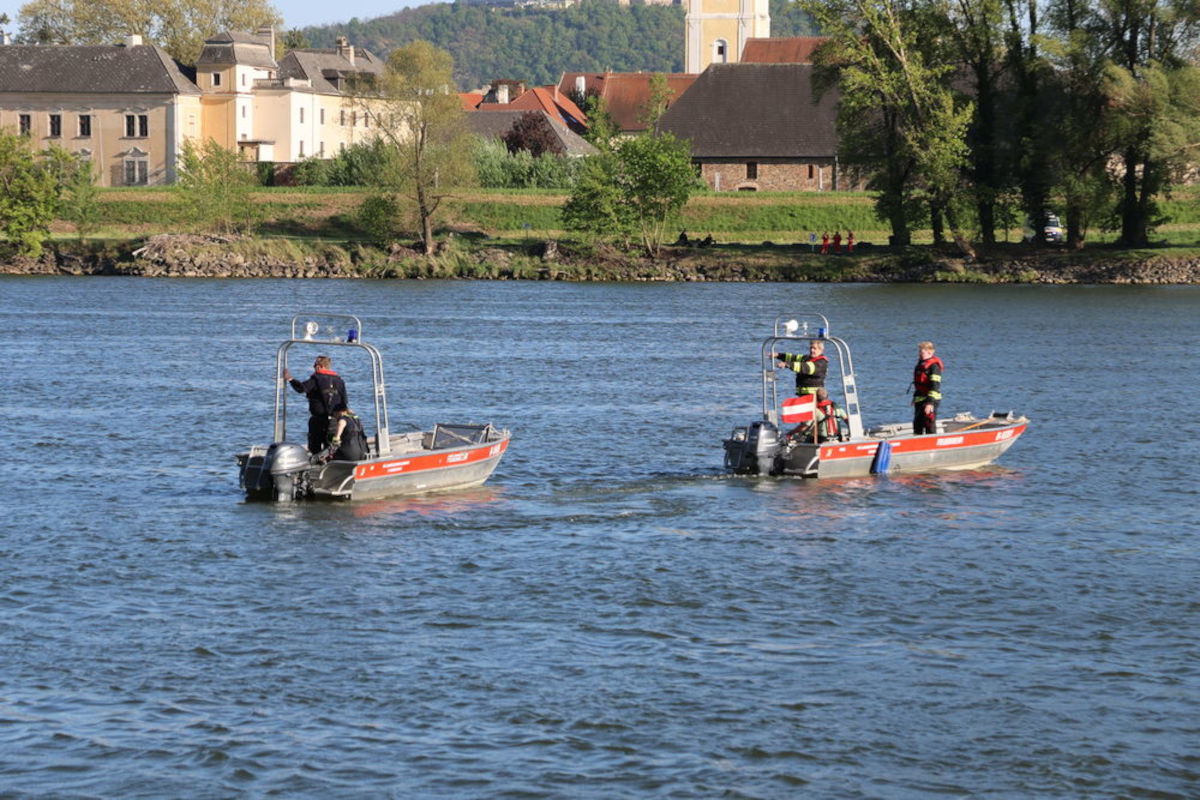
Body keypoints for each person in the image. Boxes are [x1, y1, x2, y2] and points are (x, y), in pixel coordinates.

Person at [284, 355, 348, 454]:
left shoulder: (316, 379)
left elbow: (301, 388)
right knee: (331, 447)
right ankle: (329, 462)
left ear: (319, 366)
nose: (314, 368)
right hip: (335, 420)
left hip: (318, 419)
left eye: (315, 365)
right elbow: (344, 401)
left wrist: (290, 379)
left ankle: (317, 463)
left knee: (315, 446)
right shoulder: (339, 381)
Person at [912, 340, 943, 435]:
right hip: (920, 399)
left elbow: (935, 386)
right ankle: (917, 442)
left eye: (922, 352)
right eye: (919, 352)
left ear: (930, 352)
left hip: (931, 399)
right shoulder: (921, 365)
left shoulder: (934, 367)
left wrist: (930, 403)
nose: (920, 354)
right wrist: (915, 398)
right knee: (917, 423)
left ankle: (932, 442)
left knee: (929, 422)